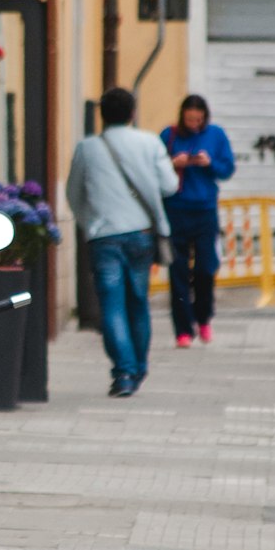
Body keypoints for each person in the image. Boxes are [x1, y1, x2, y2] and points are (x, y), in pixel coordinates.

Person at [66, 87, 179, 398]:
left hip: (104, 236)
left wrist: (89, 222)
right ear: (132, 113)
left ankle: (124, 372)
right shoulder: (149, 143)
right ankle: (138, 366)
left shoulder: (87, 148)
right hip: (141, 233)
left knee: (112, 306)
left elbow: (74, 194)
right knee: (137, 301)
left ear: (102, 114)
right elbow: (170, 186)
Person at [160, 95, 235, 348]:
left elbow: (227, 169)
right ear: (182, 116)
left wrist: (209, 163)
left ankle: (203, 317)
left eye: (199, 120)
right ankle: (182, 329)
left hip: (204, 210)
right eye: (190, 119)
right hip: (176, 210)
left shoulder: (215, 135)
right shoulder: (168, 135)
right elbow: (155, 167)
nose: (194, 124)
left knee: (205, 268)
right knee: (178, 270)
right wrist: (174, 163)